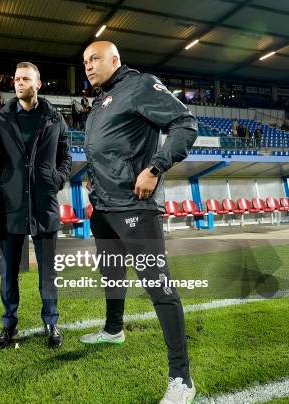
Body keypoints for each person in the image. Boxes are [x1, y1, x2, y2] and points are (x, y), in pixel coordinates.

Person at [81, 41, 197, 404]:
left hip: (135, 206)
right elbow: (111, 149)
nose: (88, 65)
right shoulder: (102, 99)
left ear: (115, 58)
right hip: (103, 207)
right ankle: (114, 330)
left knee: (158, 287)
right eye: (84, 61)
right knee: (111, 273)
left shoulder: (140, 84)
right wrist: (94, 182)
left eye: (95, 58)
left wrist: (154, 168)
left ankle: (182, 378)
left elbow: (185, 124)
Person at [0, 62, 71, 350]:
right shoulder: (0, 119)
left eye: (25, 78)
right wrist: (0, 179)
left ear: (38, 84)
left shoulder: (54, 118)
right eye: (16, 79)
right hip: (11, 205)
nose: (19, 82)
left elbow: (66, 155)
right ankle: (8, 325)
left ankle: (51, 321)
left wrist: (57, 179)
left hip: (43, 205)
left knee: (48, 272)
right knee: (8, 273)